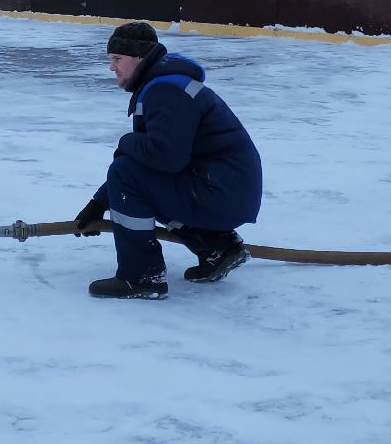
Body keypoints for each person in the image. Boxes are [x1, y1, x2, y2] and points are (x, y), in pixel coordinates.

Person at [74, 21, 263, 299]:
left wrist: (125, 142)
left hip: (220, 190)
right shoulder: (163, 84)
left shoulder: (166, 91)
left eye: (117, 59)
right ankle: (217, 246)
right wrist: (99, 202)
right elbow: (150, 165)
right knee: (134, 175)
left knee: (126, 172)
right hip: (223, 188)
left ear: (139, 57)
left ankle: (141, 276)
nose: (112, 67)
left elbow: (165, 158)